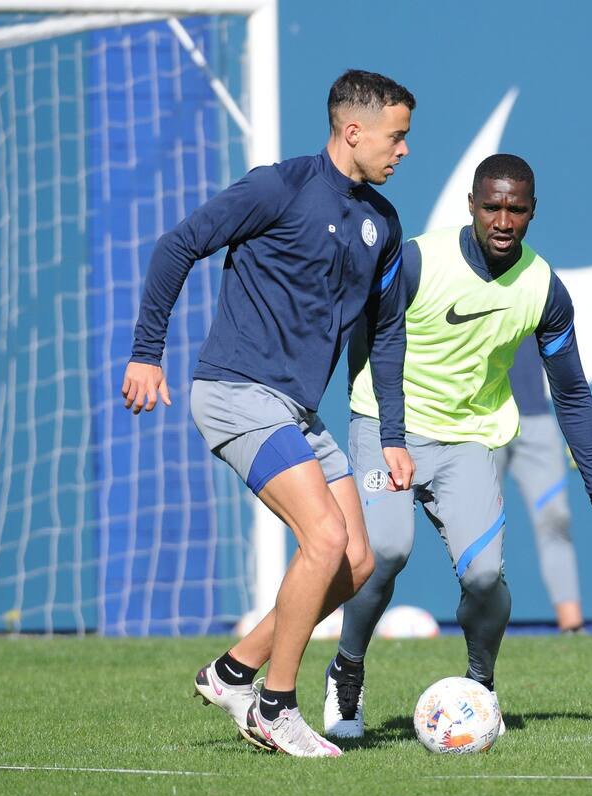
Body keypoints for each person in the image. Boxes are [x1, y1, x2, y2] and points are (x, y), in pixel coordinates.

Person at [122, 69, 416, 758]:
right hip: (235, 390)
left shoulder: (383, 224)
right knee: (321, 538)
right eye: (396, 138)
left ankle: (232, 673)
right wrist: (145, 354)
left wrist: (394, 437)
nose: (403, 151)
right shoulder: (277, 187)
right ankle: (273, 709)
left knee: (357, 560)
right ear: (353, 131)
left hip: (297, 410)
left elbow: (389, 334)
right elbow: (177, 247)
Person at [322, 153, 592, 739]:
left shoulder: (544, 288)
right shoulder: (418, 259)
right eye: (491, 206)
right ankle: (347, 670)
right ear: (471, 205)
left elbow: (571, 392)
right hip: (384, 423)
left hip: (468, 437)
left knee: (486, 579)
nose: (502, 219)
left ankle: (478, 686)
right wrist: (389, 432)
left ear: (532, 213)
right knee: (386, 551)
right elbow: (368, 338)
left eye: (515, 209)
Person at [498, 341, 585, 633]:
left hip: (535, 419)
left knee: (555, 518)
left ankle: (572, 628)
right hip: (480, 419)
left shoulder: (542, 293)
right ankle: (479, 624)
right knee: (476, 528)